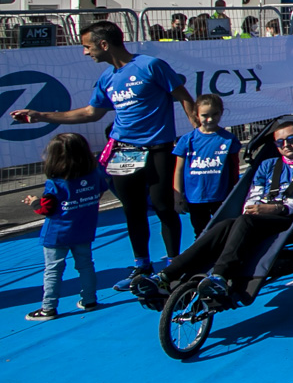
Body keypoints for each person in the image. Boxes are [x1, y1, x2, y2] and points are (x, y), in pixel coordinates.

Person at [11, 20, 199, 288]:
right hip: (124, 151)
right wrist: (41, 116)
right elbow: (90, 113)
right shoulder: (107, 79)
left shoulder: (150, 65)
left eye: (87, 47)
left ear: (104, 44)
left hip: (158, 148)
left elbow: (183, 96)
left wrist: (195, 132)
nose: (85, 53)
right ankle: (141, 266)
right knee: (132, 209)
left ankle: (173, 265)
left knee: (163, 206)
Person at [140, 119, 293, 303]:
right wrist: (256, 208)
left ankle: (220, 275)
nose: (286, 145)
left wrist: (275, 208)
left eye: (292, 139)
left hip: (291, 220)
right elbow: (253, 195)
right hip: (259, 216)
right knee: (223, 225)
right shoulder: (268, 165)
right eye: (280, 142)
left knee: (244, 222)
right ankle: (167, 274)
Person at [25, 133, 106, 320]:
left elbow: (47, 208)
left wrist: (35, 202)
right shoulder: (95, 175)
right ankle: (89, 300)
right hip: (84, 229)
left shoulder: (55, 183)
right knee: (86, 265)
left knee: (53, 270)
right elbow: (99, 193)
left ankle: (48, 308)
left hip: (57, 234)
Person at [172, 94, 240, 236]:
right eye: (204, 115)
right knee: (200, 231)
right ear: (196, 115)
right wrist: (178, 196)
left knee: (223, 230)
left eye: (214, 114)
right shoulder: (187, 140)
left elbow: (234, 168)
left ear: (221, 112)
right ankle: (203, 256)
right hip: (195, 196)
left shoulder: (228, 139)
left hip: (221, 195)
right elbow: (178, 170)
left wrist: (235, 193)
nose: (210, 119)